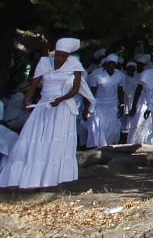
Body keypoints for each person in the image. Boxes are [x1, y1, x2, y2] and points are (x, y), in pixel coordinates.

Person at [0, 38, 88, 188]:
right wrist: (27, 99)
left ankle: (52, 177)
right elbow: (34, 84)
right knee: (36, 137)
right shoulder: (44, 63)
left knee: (56, 140)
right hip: (43, 105)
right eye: (57, 55)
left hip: (62, 107)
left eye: (63, 55)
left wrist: (60, 99)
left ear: (68, 56)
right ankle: (32, 174)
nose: (59, 58)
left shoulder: (75, 65)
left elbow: (75, 89)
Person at [85, 54, 125, 148]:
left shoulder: (120, 75)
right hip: (99, 104)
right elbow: (93, 92)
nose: (111, 66)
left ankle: (108, 146)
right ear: (106, 64)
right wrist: (88, 106)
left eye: (113, 64)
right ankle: (96, 146)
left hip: (113, 105)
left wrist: (122, 105)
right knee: (98, 125)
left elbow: (120, 91)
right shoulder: (97, 75)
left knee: (112, 127)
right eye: (109, 64)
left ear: (116, 65)